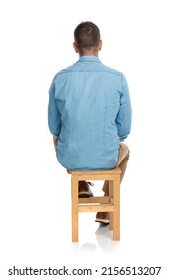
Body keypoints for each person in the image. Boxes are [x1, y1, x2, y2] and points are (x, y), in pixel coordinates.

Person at [48, 21, 132, 224]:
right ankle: (104, 210)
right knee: (125, 151)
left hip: (71, 157)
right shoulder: (118, 79)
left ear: (75, 47)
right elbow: (125, 128)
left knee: (60, 137)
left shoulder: (60, 79)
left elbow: (54, 127)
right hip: (107, 157)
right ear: (100, 44)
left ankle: (81, 185)